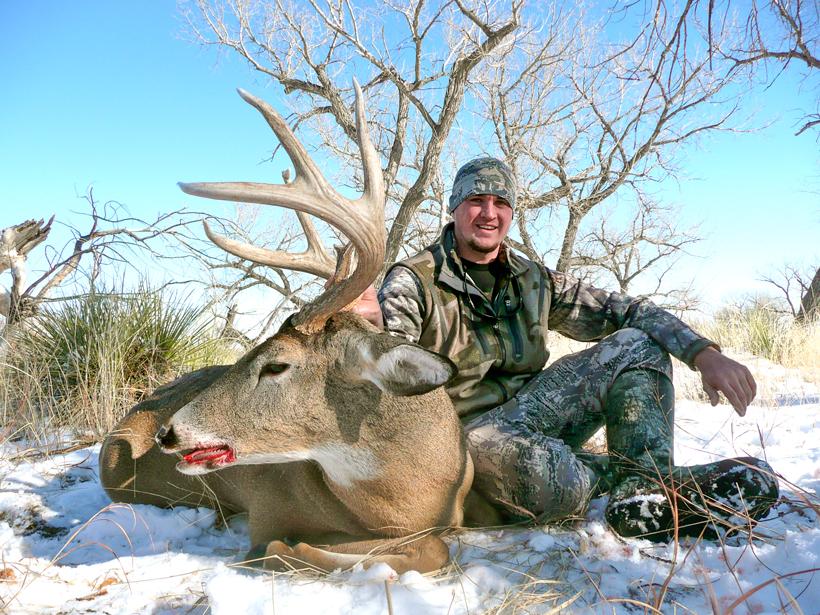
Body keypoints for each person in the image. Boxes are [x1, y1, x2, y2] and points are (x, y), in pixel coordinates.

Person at [354, 157, 779, 541]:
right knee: (548, 480)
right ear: (454, 208)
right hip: (463, 434)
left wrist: (704, 354)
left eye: (500, 202)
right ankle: (638, 486)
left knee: (636, 343)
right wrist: (370, 329)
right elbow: (396, 368)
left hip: (537, 409)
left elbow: (625, 310)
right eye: (476, 201)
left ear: (511, 213)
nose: (488, 213)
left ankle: (646, 486)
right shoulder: (412, 280)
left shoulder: (533, 278)